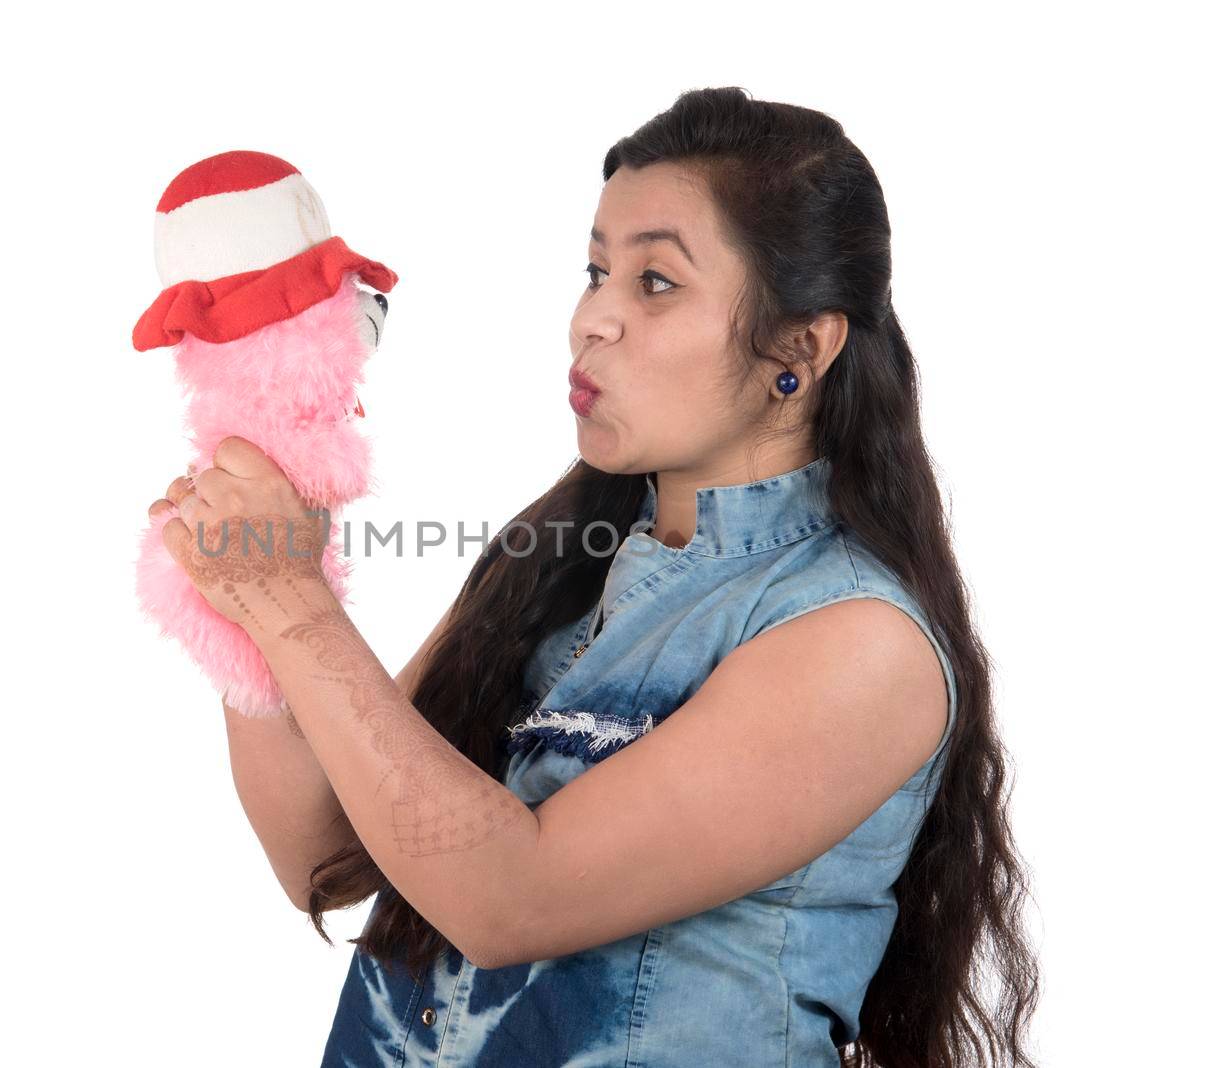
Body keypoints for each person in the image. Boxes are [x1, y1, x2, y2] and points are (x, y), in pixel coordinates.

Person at [154, 86, 1039, 1067]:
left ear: (801, 344)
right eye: (594, 269)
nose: (591, 319)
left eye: (655, 282)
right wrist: (248, 590)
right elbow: (325, 856)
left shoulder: (857, 644)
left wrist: (292, 603)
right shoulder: (546, 569)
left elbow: (508, 898)